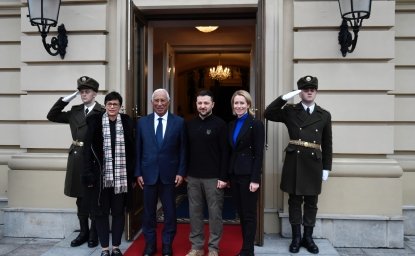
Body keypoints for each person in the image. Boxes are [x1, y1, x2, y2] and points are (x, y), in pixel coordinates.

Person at [264, 75, 332, 254]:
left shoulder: (324, 115)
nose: (309, 92)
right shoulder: (290, 111)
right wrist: (285, 97)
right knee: (294, 201)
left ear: (316, 92)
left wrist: (326, 167)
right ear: (300, 92)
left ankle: (308, 238)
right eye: (305, 89)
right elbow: (268, 113)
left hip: (314, 163)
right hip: (295, 161)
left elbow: (328, 143)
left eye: (312, 89)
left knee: (311, 202)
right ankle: (296, 237)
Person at [46, 76, 104, 248]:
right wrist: (66, 99)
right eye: (81, 92)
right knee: (80, 198)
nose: (83, 94)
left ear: (95, 93)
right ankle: (83, 232)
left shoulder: (102, 112)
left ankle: (94, 233)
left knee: (94, 198)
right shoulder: (75, 111)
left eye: (87, 91)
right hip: (77, 158)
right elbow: (52, 115)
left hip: (93, 158)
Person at [82, 91, 135, 256]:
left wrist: (133, 174)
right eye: (109, 104)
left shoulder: (127, 122)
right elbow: (87, 150)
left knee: (118, 212)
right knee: (101, 213)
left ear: (120, 106)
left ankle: (116, 247)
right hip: (101, 178)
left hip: (121, 178)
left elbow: (133, 150)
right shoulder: (95, 121)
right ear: (105, 106)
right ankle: (105, 248)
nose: (112, 107)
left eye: (115, 104)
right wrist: (88, 174)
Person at [135, 88, 186, 256]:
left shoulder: (178, 122)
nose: (159, 103)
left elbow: (183, 150)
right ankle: (150, 245)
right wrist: (138, 173)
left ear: (168, 102)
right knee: (148, 213)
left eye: (163, 100)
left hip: (170, 175)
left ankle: (166, 245)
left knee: (170, 212)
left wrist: (181, 172)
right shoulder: (142, 122)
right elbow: (138, 150)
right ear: (151, 103)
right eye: (156, 100)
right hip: (147, 175)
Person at [185, 90, 228, 256]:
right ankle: (196, 247)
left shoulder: (220, 124)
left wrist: (223, 177)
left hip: (214, 177)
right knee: (194, 213)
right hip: (193, 177)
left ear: (212, 105)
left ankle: (213, 248)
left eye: (206, 103)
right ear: (196, 104)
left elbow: (225, 152)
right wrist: (185, 173)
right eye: (200, 103)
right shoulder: (189, 124)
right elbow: (185, 151)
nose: (202, 106)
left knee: (215, 214)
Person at [228, 90, 265, 256]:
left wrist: (255, 178)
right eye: (236, 103)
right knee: (241, 213)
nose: (239, 106)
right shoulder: (231, 124)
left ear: (248, 105)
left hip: (249, 176)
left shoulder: (256, 124)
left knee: (249, 214)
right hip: (235, 175)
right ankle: (246, 248)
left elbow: (259, 153)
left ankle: (248, 250)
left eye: (242, 103)